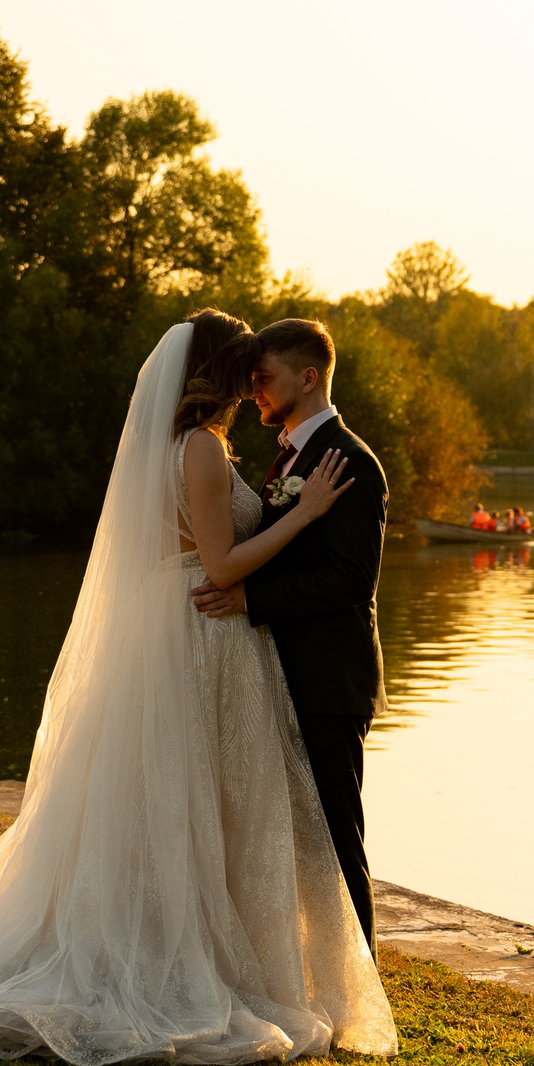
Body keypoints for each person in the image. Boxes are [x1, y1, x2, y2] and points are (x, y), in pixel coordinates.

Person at [0, 313, 395, 1066]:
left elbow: (334, 578)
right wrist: (300, 521)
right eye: (249, 373)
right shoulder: (204, 450)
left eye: (267, 374)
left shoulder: (263, 453)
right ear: (224, 373)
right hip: (205, 640)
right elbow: (223, 565)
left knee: (258, 819)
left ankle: (343, 982)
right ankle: (249, 973)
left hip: (259, 654)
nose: (257, 385)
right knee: (199, 805)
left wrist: (268, 570)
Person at [193, 317, 389, 951]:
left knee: (335, 834)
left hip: (329, 678)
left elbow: (350, 583)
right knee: (291, 834)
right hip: (280, 671)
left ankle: (361, 986)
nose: (254, 391)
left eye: (265, 379)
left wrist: (250, 596)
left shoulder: (350, 460)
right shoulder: (291, 456)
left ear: (308, 378)